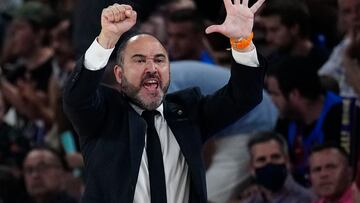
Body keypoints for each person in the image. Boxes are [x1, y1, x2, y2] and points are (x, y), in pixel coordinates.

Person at [63, 0, 266, 202]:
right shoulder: (103, 115)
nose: (152, 68)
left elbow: (245, 96)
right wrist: (106, 39)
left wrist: (242, 42)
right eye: (139, 60)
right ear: (119, 73)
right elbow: (77, 97)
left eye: (159, 60)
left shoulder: (188, 111)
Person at [168, 60, 278, 203]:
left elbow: (197, 139)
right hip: (229, 125)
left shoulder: (156, 88)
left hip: (253, 120)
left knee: (206, 196)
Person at [266, 56, 360, 186]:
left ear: (295, 94)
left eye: (275, 94)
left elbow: (345, 179)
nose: (272, 100)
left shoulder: (345, 117)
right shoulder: (288, 119)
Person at [229, 131, 315, 203]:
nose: (269, 163)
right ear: (252, 168)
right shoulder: (247, 198)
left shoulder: (307, 198)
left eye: (275, 157)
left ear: (287, 161)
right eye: (261, 159)